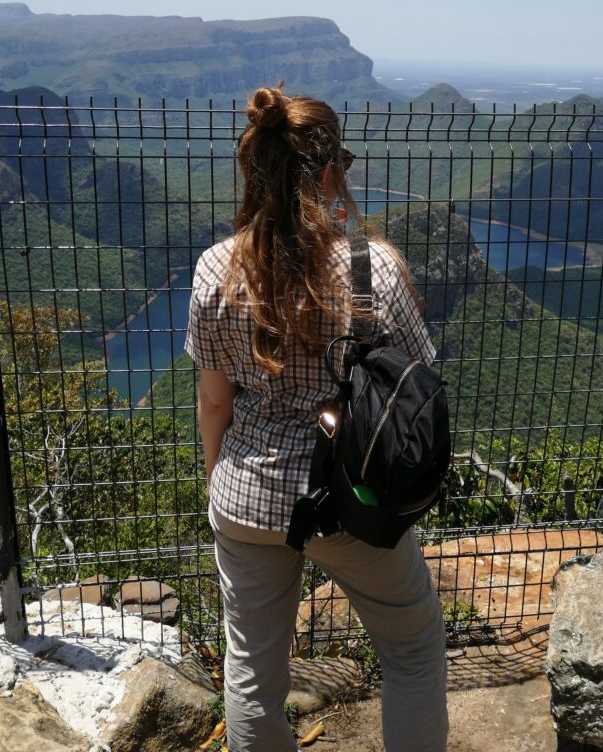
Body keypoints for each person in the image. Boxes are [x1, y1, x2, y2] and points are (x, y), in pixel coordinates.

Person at [185, 84, 448, 752]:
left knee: (250, 670)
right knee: (413, 649)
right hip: (348, 498)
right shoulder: (372, 270)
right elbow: (416, 382)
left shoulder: (215, 268)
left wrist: (222, 481)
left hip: (246, 493)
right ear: (329, 171)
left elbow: (215, 400)